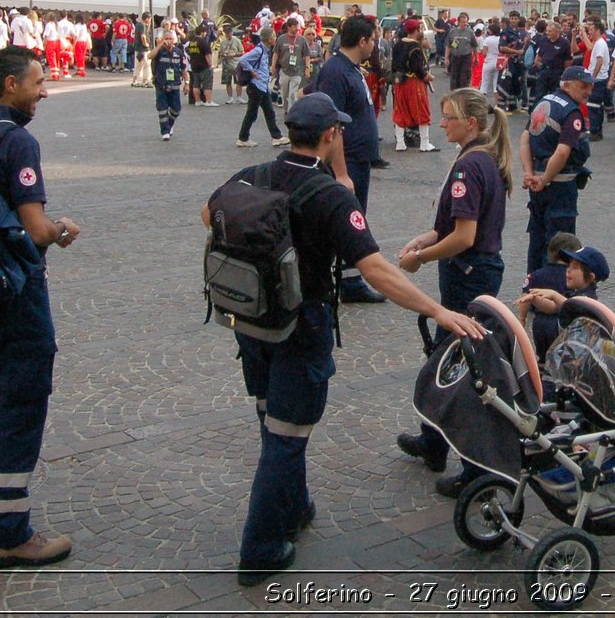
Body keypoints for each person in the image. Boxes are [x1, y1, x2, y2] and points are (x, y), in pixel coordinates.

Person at [204, 93, 485, 585]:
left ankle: (295, 505)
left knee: (274, 422)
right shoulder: (331, 196)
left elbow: (209, 215)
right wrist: (438, 309)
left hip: (252, 324)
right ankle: (261, 549)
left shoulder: (255, 175)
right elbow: (375, 269)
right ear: (331, 136)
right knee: (285, 438)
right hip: (300, 326)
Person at [0, 47, 80, 568]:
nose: (44, 90)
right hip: (15, 282)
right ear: (9, 86)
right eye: (37, 82)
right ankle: (8, 531)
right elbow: (37, 227)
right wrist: (63, 230)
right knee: (23, 397)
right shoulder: (19, 140)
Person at [393, 87, 512, 496]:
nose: (441, 122)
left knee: (464, 370)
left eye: (448, 117)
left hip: (469, 271)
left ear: (471, 123)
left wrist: (420, 260)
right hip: (474, 269)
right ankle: (433, 441)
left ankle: (475, 467)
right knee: (447, 359)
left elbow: (464, 236)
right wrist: (423, 241)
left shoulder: (468, 166)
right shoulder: (481, 157)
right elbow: (448, 228)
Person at [313, 15, 387, 304]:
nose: (375, 44)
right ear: (362, 41)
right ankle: (347, 284)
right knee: (348, 222)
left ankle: (348, 280)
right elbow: (333, 125)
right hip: (348, 163)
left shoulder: (352, 68)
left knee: (354, 220)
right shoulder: (335, 71)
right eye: (373, 39)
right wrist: (341, 173)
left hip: (359, 159)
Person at [520, 65, 594, 274]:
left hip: (537, 182)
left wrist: (529, 173)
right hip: (559, 186)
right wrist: (544, 179)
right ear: (568, 85)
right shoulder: (571, 112)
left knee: (537, 238)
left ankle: (532, 285)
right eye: (583, 86)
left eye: (590, 86)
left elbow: (525, 139)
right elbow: (562, 152)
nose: (588, 91)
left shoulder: (544, 101)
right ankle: (552, 292)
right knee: (560, 243)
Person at [517, 242, 609, 358]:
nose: (568, 270)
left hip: (577, 356)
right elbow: (552, 307)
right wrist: (535, 299)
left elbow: (572, 308)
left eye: (574, 267)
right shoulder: (574, 294)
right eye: (568, 265)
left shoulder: (588, 298)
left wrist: (555, 295)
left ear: (590, 277)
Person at [235, 27, 287, 148]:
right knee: (252, 114)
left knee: (269, 112)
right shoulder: (259, 50)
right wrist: (252, 71)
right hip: (256, 86)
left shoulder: (265, 50)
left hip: (263, 87)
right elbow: (243, 59)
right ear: (269, 39)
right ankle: (243, 138)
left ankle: (276, 137)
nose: (275, 38)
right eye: (274, 36)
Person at [392, 19, 439, 152]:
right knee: (422, 110)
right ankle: (424, 144)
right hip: (414, 83)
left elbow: (394, 65)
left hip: (400, 83)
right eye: (420, 28)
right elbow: (418, 69)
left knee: (400, 111)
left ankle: (400, 143)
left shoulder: (398, 44)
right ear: (416, 30)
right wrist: (428, 77)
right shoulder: (415, 47)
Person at [150, 29, 189, 141]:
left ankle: (170, 124)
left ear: (174, 40)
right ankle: (165, 131)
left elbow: (184, 69)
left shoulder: (178, 52)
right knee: (162, 109)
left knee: (176, 109)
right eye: (166, 38)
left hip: (175, 84)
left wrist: (186, 83)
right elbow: (150, 56)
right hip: (161, 84)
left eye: (170, 39)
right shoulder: (159, 51)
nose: (168, 41)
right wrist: (158, 46)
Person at [274, 19, 310, 116]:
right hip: (284, 70)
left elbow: (307, 55)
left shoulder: (302, 40)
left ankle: (291, 112)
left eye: (297, 26)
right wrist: (272, 67)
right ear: (288, 27)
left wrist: (307, 68)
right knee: (285, 93)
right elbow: (276, 53)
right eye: (294, 26)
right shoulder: (281, 39)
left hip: (297, 71)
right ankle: (286, 108)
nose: (297, 28)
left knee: (293, 93)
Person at [445, 11, 476, 92]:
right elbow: (448, 46)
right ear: (458, 22)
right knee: (454, 78)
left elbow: (474, 46)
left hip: (466, 57)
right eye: (462, 22)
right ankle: (454, 94)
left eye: (466, 22)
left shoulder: (470, 32)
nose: (464, 23)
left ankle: (464, 94)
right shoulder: (452, 31)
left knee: (464, 78)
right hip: (455, 57)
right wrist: (446, 58)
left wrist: (476, 58)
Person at [186, 29, 215, 107]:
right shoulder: (203, 42)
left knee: (196, 84)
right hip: (204, 66)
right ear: (202, 33)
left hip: (194, 66)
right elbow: (207, 55)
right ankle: (209, 101)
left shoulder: (191, 43)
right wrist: (210, 65)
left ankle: (197, 101)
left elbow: (189, 52)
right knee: (207, 84)